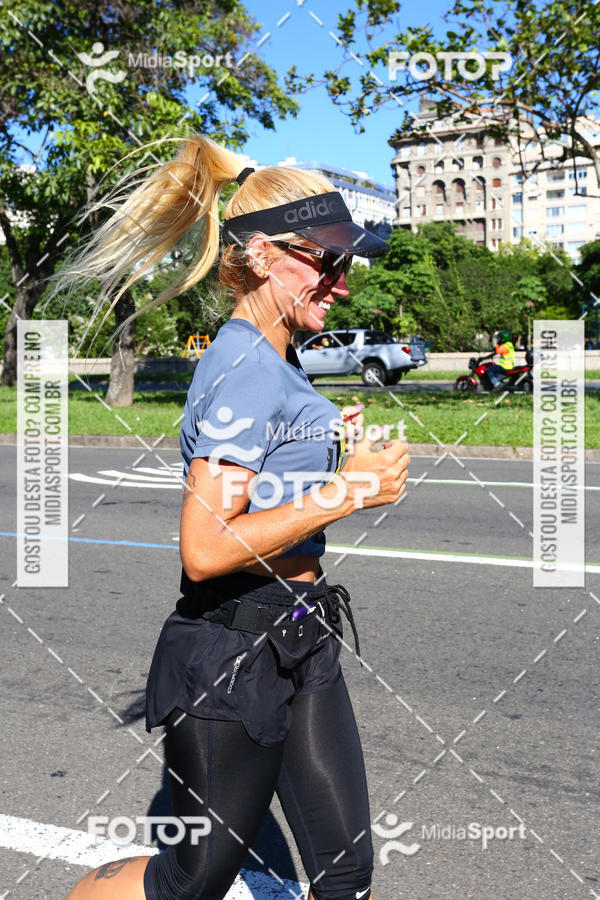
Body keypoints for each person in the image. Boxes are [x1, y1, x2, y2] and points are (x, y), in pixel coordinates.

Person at [62, 136, 410, 900]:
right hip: (231, 650)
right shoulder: (248, 366)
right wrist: (349, 492)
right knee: (192, 883)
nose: (341, 285)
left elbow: (264, 493)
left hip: (300, 634)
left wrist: (321, 450)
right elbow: (206, 548)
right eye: (326, 261)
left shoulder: (274, 361)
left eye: (346, 263)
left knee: (344, 871)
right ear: (259, 255)